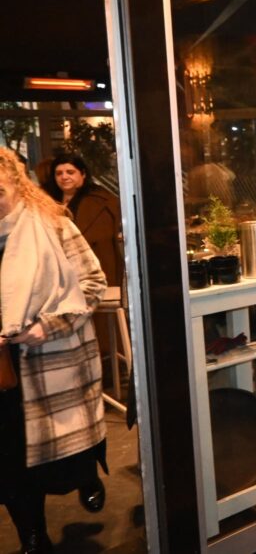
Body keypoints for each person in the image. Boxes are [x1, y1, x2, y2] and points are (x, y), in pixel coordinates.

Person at [0, 148, 108, 553]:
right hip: (4, 369)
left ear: (17, 184)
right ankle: (33, 536)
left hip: (51, 357)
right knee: (11, 460)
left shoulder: (53, 226)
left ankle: (86, 475)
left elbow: (93, 284)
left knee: (62, 455)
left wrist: (48, 326)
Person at [43, 154, 123, 288]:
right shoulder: (46, 202)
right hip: (59, 274)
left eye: (70, 172)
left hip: (94, 271)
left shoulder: (102, 201)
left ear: (83, 174)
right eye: (59, 173)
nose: (64, 177)